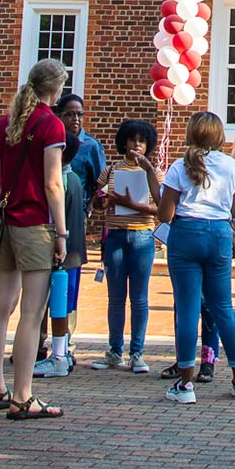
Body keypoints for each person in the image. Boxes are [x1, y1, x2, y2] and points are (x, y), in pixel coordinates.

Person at [0, 58, 69, 419]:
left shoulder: (6, 123)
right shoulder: (51, 125)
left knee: (0, 307)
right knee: (31, 314)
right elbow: (52, 183)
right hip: (34, 224)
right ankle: (22, 395)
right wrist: (62, 232)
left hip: (6, 221)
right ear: (56, 88)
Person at [157, 110, 235, 403]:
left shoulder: (178, 167)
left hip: (186, 232)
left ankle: (185, 384)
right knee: (223, 307)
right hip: (220, 234)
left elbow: (165, 214)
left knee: (187, 308)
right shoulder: (230, 166)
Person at [93, 119, 160, 373]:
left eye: (142, 141)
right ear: (124, 142)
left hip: (142, 235)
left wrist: (134, 204)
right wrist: (102, 200)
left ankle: (137, 353)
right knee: (116, 297)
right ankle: (115, 350)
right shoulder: (111, 170)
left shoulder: (153, 172)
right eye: (132, 140)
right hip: (116, 235)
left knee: (140, 297)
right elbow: (96, 199)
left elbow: (160, 207)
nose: (136, 145)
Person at [33, 125, 91, 379]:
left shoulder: (61, 181)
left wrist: (59, 240)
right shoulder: (75, 179)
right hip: (75, 253)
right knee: (65, 305)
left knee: (56, 305)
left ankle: (58, 354)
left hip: (61, 253)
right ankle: (62, 351)